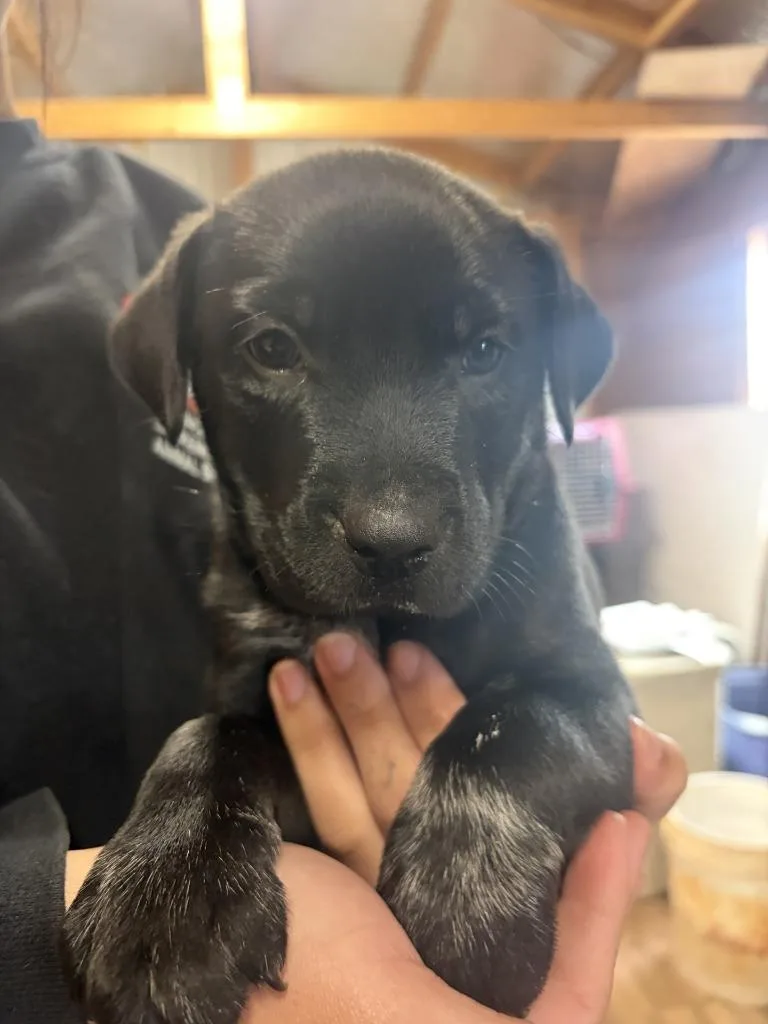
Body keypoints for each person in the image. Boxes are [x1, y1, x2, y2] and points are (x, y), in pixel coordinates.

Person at [0, 4, 688, 1021]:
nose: (393, 513)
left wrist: (487, 818)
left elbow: (584, 702)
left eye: (483, 349)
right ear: (178, 377)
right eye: (274, 350)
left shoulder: (163, 217)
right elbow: (247, 725)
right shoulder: (200, 265)